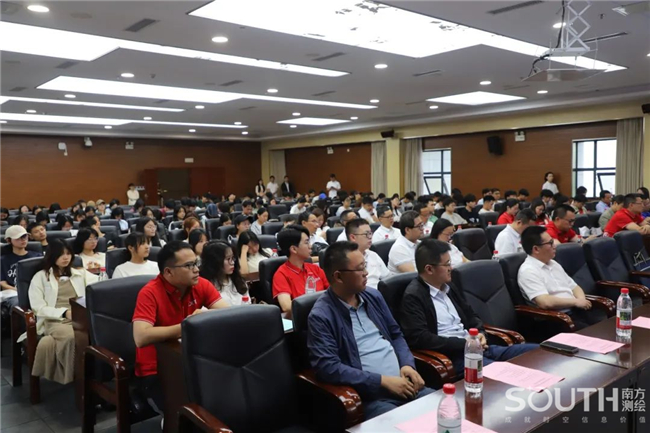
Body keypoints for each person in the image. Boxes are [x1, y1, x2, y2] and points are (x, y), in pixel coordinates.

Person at [308, 242, 433, 420]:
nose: (366, 273)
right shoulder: (321, 316)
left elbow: (395, 334)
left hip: (406, 385)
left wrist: (407, 364)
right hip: (371, 398)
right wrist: (382, 381)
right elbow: (328, 367)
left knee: (446, 412)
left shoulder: (373, 296)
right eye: (360, 268)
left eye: (365, 265)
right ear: (339, 276)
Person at [400, 239, 537, 377]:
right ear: (429, 269)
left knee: (537, 352)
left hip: (479, 348)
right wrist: (465, 344)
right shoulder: (414, 296)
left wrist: (481, 333)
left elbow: (471, 315)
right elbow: (421, 338)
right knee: (506, 374)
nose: (451, 268)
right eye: (447, 264)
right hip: (454, 357)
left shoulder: (448, 286)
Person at [132, 241, 230, 412]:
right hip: (158, 369)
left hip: (194, 360)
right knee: (184, 414)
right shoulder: (149, 293)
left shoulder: (200, 284)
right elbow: (141, 336)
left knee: (223, 401)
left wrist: (205, 317)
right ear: (168, 272)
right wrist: (188, 325)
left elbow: (227, 315)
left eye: (196, 263)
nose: (196, 269)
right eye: (189, 265)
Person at [28, 240, 96, 385]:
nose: (66, 258)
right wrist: (64, 313)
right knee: (73, 337)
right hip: (55, 320)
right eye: (61, 254)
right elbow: (38, 307)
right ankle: (75, 377)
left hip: (81, 317)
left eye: (68, 254)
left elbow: (100, 285)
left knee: (98, 333)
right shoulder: (41, 277)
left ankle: (92, 374)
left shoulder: (79, 273)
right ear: (52, 256)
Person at [518, 226, 607, 330]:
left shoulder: (553, 263)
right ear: (536, 249)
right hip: (556, 319)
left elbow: (574, 287)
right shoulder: (528, 271)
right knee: (596, 333)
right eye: (550, 243)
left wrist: (581, 300)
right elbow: (545, 302)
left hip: (575, 310)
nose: (554, 245)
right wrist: (576, 302)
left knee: (607, 325)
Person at [273, 225, 328, 318]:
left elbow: (334, 292)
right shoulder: (281, 274)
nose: (310, 246)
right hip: (304, 320)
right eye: (306, 242)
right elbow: (286, 306)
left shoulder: (315, 269)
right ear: (294, 249)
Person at [1, 226, 42, 311]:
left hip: (37, 290)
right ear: (9, 240)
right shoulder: (3, 260)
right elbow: (3, 283)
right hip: (14, 293)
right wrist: (19, 290)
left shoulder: (37, 256)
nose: (23, 240)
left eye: (24, 237)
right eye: (18, 238)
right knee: (20, 306)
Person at [200, 241, 251, 305]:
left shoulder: (239, 281)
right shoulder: (206, 286)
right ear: (215, 262)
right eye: (228, 259)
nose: (232, 262)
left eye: (233, 258)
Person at [346, 219, 390, 289]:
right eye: (366, 234)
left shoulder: (373, 255)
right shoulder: (345, 260)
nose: (370, 237)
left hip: (379, 293)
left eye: (370, 233)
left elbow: (388, 278)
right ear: (353, 237)